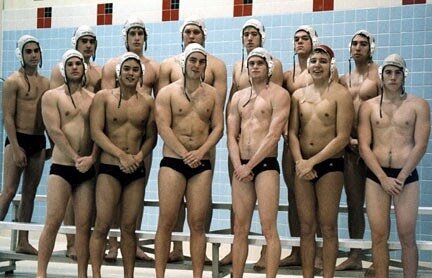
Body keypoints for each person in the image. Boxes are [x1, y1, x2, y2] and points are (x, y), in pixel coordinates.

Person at [158, 15, 227, 263]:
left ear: (204, 35)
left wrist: (201, 150)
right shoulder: (167, 66)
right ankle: (175, 247)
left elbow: (215, 112)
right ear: (181, 35)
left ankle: (201, 250)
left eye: (196, 32)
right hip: (174, 149)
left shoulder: (217, 66)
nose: (191, 36)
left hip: (204, 144)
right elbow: (163, 112)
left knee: (200, 204)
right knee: (170, 207)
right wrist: (180, 150)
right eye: (187, 32)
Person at [358, 54, 430, 278]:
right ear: (381, 75)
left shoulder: (418, 105)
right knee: (378, 236)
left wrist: (400, 177)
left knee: (406, 236)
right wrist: (382, 178)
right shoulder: (368, 106)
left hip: (405, 177)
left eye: (397, 72)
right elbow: (364, 146)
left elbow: (421, 144)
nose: (392, 77)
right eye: (388, 72)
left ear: (404, 75)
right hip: (377, 176)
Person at [221, 18, 283, 270]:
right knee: (240, 228)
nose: (255, 66)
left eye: (259, 63)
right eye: (251, 63)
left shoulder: (279, 95)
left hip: (265, 165)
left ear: (268, 67)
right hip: (241, 165)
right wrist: (238, 164)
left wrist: (249, 166)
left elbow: (273, 136)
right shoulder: (237, 97)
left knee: (269, 227)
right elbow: (231, 134)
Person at [89, 52, 157, 278]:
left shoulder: (148, 101)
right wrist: (121, 155)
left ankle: (129, 275)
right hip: (109, 167)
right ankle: (96, 274)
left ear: (140, 75)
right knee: (102, 224)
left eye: (135, 70)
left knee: (129, 228)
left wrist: (138, 157)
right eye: (126, 69)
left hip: (135, 170)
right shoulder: (104, 97)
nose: (130, 73)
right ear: (119, 73)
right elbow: (96, 132)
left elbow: (151, 136)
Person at [288, 45, 353, 278]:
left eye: (322, 61)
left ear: (330, 65)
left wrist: (312, 162)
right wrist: (299, 162)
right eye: (313, 61)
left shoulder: (341, 94)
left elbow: (343, 136)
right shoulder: (297, 96)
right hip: (302, 164)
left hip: (329, 166)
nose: (317, 65)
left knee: (328, 226)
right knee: (306, 228)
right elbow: (292, 133)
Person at [101, 16, 159, 261]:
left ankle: (131, 243)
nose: (137, 37)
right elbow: (105, 102)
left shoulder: (154, 68)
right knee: (112, 197)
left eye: (140, 33)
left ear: (145, 37)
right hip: (113, 142)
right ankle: (113, 243)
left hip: (141, 139)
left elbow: (158, 107)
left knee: (138, 192)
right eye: (132, 33)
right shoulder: (112, 65)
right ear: (125, 37)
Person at [37, 49, 97, 278]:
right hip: (62, 168)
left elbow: (99, 132)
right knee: (52, 222)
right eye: (70, 64)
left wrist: (91, 158)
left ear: (83, 69)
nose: (74, 67)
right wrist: (75, 157)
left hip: (86, 169)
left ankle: (83, 273)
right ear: (64, 69)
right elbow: (55, 131)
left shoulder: (93, 98)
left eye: (78, 64)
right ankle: (41, 273)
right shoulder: (52, 96)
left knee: (84, 227)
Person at [50, 24, 101, 260]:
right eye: (84, 41)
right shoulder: (59, 73)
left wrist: (92, 155)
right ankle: (71, 243)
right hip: (66, 153)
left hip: (89, 151)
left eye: (92, 41)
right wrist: (68, 152)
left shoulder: (98, 74)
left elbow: (101, 115)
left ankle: (83, 249)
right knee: (63, 205)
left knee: (86, 208)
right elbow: (56, 115)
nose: (88, 45)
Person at [0, 35, 50, 255]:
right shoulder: (13, 82)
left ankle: (23, 240)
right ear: (21, 54)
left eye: (35, 51)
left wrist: (53, 144)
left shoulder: (46, 83)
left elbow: (48, 117)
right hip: (17, 139)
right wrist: (17, 147)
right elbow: (8, 117)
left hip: (38, 141)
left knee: (30, 192)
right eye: (28, 51)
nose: (32, 55)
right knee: (9, 191)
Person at [336, 30, 381, 271]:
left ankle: (378, 256)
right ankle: (355, 255)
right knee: (354, 203)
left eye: (363, 44)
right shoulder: (344, 78)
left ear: (370, 48)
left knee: (377, 206)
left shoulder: (379, 75)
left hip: (373, 148)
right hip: (350, 148)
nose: (357, 47)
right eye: (354, 43)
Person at [280, 25, 319, 268]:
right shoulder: (287, 75)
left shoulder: (324, 69)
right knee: (294, 196)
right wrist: (285, 132)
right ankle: (297, 249)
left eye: (305, 38)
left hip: (316, 144)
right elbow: (283, 108)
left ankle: (317, 252)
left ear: (314, 41)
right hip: (291, 143)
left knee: (318, 201)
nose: (300, 42)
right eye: (296, 39)